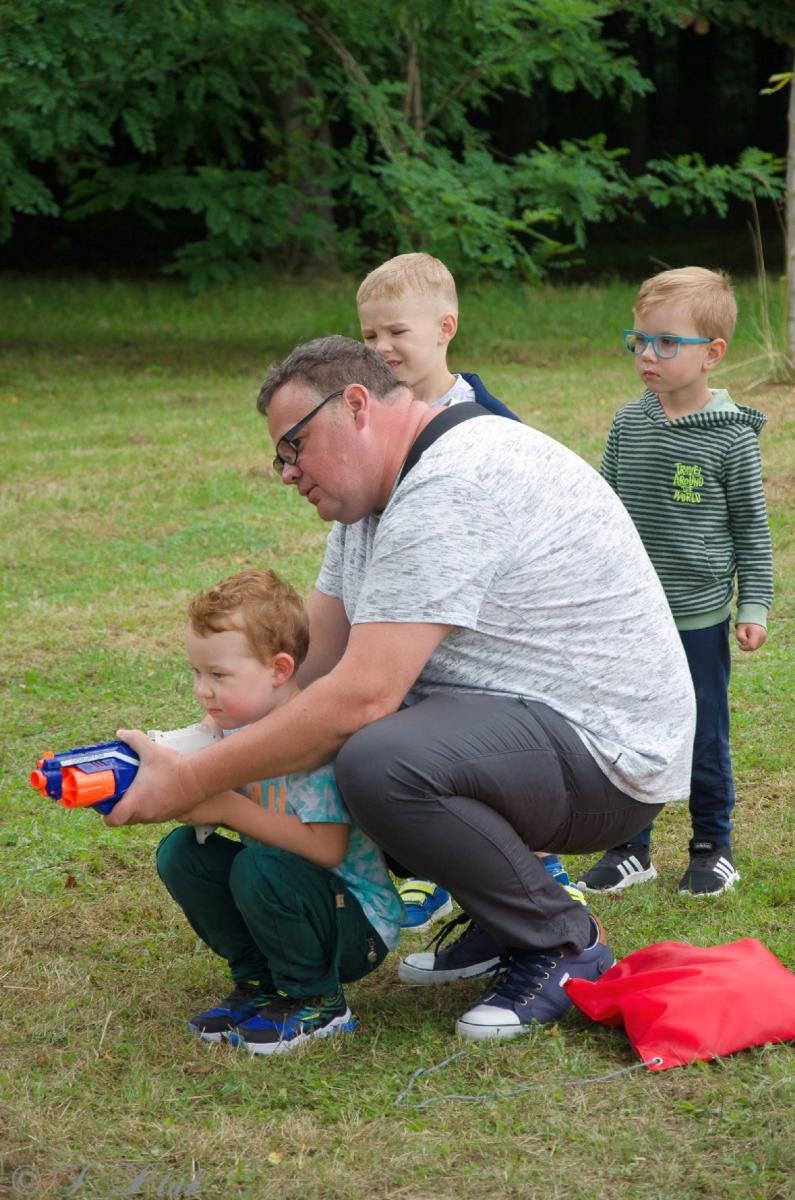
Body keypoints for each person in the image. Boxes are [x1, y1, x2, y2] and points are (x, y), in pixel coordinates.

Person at [109, 335, 696, 1042]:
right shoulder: (374, 500)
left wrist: (194, 781)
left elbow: (357, 698)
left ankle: (563, 943)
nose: (288, 472)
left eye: (295, 445)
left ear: (356, 406)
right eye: (279, 456)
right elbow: (311, 669)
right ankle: (500, 916)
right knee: (359, 736)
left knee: (377, 756)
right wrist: (176, 749)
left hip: (611, 757)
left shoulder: (451, 482)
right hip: (527, 738)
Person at [356, 250, 577, 931]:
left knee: (463, 739)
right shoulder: (372, 424)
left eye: (397, 331)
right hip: (409, 603)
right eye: (368, 335)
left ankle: (536, 865)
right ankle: (435, 863)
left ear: (445, 327)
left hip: (480, 621)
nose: (381, 346)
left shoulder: (489, 427)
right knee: (402, 719)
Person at [577, 267, 773, 897]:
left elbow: (753, 531)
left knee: (703, 733)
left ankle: (713, 845)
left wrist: (755, 605)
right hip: (631, 615)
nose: (647, 355)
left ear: (711, 353)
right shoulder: (628, 424)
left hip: (697, 621)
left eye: (666, 343)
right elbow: (604, 512)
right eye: (639, 340)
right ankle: (630, 847)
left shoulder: (731, 438)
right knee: (625, 730)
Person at [155, 569, 401, 1055]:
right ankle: (259, 982)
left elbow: (327, 849)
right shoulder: (235, 726)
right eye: (196, 673)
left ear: (279, 670)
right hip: (286, 892)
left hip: (357, 925)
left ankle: (317, 1000)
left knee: (260, 866)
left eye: (218, 675)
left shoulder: (308, 741)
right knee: (182, 854)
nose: (203, 690)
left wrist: (226, 806)